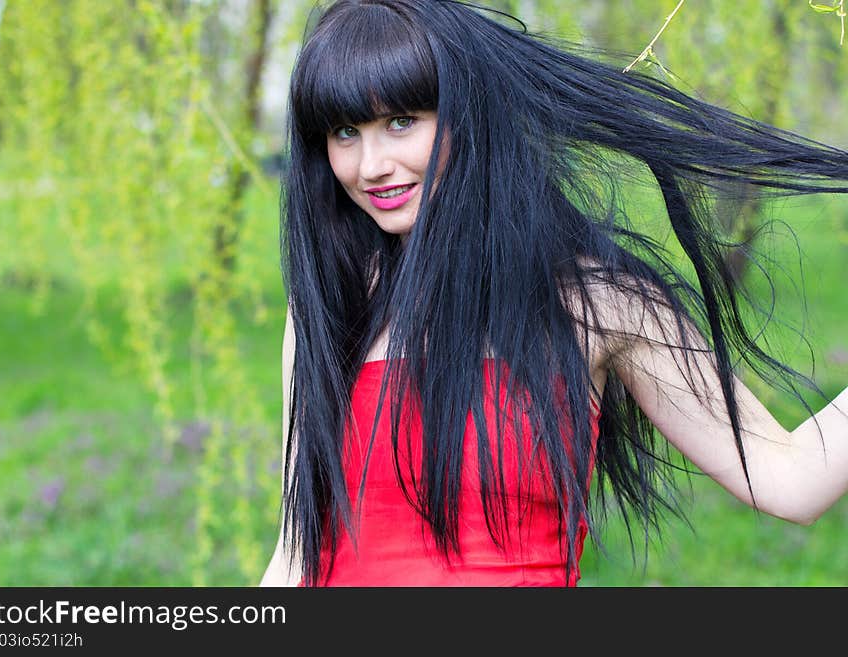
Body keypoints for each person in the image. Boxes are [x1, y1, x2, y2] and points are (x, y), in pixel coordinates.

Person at [259, 0, 848, 587]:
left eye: (401, 122)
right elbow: (296, 553)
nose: (371, 165)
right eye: (344, 132)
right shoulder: (330, 308)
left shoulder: (600, 303)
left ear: (469, 115)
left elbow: (790, 479)